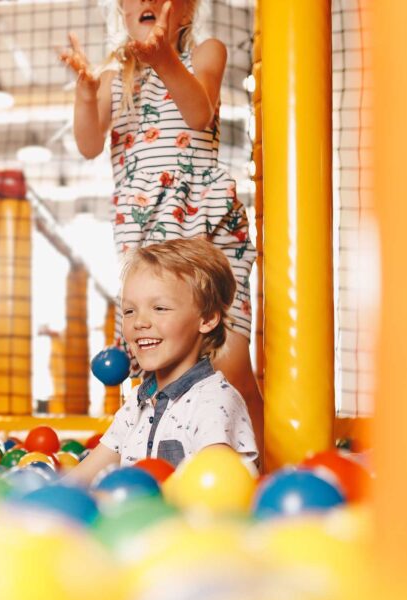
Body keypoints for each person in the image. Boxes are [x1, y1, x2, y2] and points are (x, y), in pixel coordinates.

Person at [59, 0, 264, 455]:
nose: (148, 1)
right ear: (123, 11)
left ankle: (259, 467)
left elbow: (199, 113)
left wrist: (164, 59)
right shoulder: (115, 78)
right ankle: (160, 459)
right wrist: (86, 94)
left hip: (206, 224)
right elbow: (89, 143)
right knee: (157, 366)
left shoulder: (205, 53)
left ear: (187, 11)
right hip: (149, 231)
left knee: (231, 364)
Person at [65, 239, 258, 486]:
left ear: (207, 318)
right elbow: (80, 478)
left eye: (159, 308)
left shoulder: (213, 402)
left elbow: (219, 489)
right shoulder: (137, 404)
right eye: (129, 311)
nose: (139, 322)